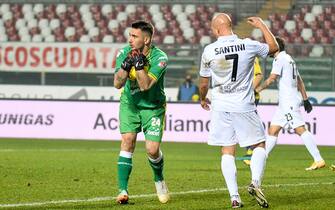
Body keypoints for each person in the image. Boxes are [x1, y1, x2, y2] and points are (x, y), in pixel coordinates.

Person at [199, 13, 278, 208]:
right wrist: (261, 25)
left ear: (217, 29)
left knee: (227, 150)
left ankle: (234, 198)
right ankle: (255, 183)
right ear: (230, 26)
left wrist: (202, 98)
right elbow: (274, 47)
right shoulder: (248, 44)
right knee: (259, 145)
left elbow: (203, 82)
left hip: (220, 106)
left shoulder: (209, 50)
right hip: (243, 105)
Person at [113, 20, 169, 204]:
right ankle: (123, 190)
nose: (130, 39)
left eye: (134, 36)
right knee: (127, 140)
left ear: (146, 40)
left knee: (152, 150)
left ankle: (159, 178)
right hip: (130, 104)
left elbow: (145, 85)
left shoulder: (160, 58)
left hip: (153, 106)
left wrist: (138, 66)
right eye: (130, 35)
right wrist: (125, 65)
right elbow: (117, 83)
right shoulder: (124, 53)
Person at [255, 37, 326, 171]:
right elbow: (299, 80)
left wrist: (256, 90)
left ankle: (318, 159)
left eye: (270, 46)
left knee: (300, 129)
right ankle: (261, 158)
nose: (268, 49)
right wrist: (305, 99)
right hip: (285, 103)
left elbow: (271, 79)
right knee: (273, 130)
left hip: (288, 102)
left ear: (275, 47)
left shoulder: (280, 59)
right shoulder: (289, 59)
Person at [242, 57, 263, 165]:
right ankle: (251, 151)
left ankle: (251, 152)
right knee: (244, 125)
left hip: (250, 96)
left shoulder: (250, 56)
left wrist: (248, 91)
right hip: (240, 96)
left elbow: (258, 76)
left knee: (249, 124)